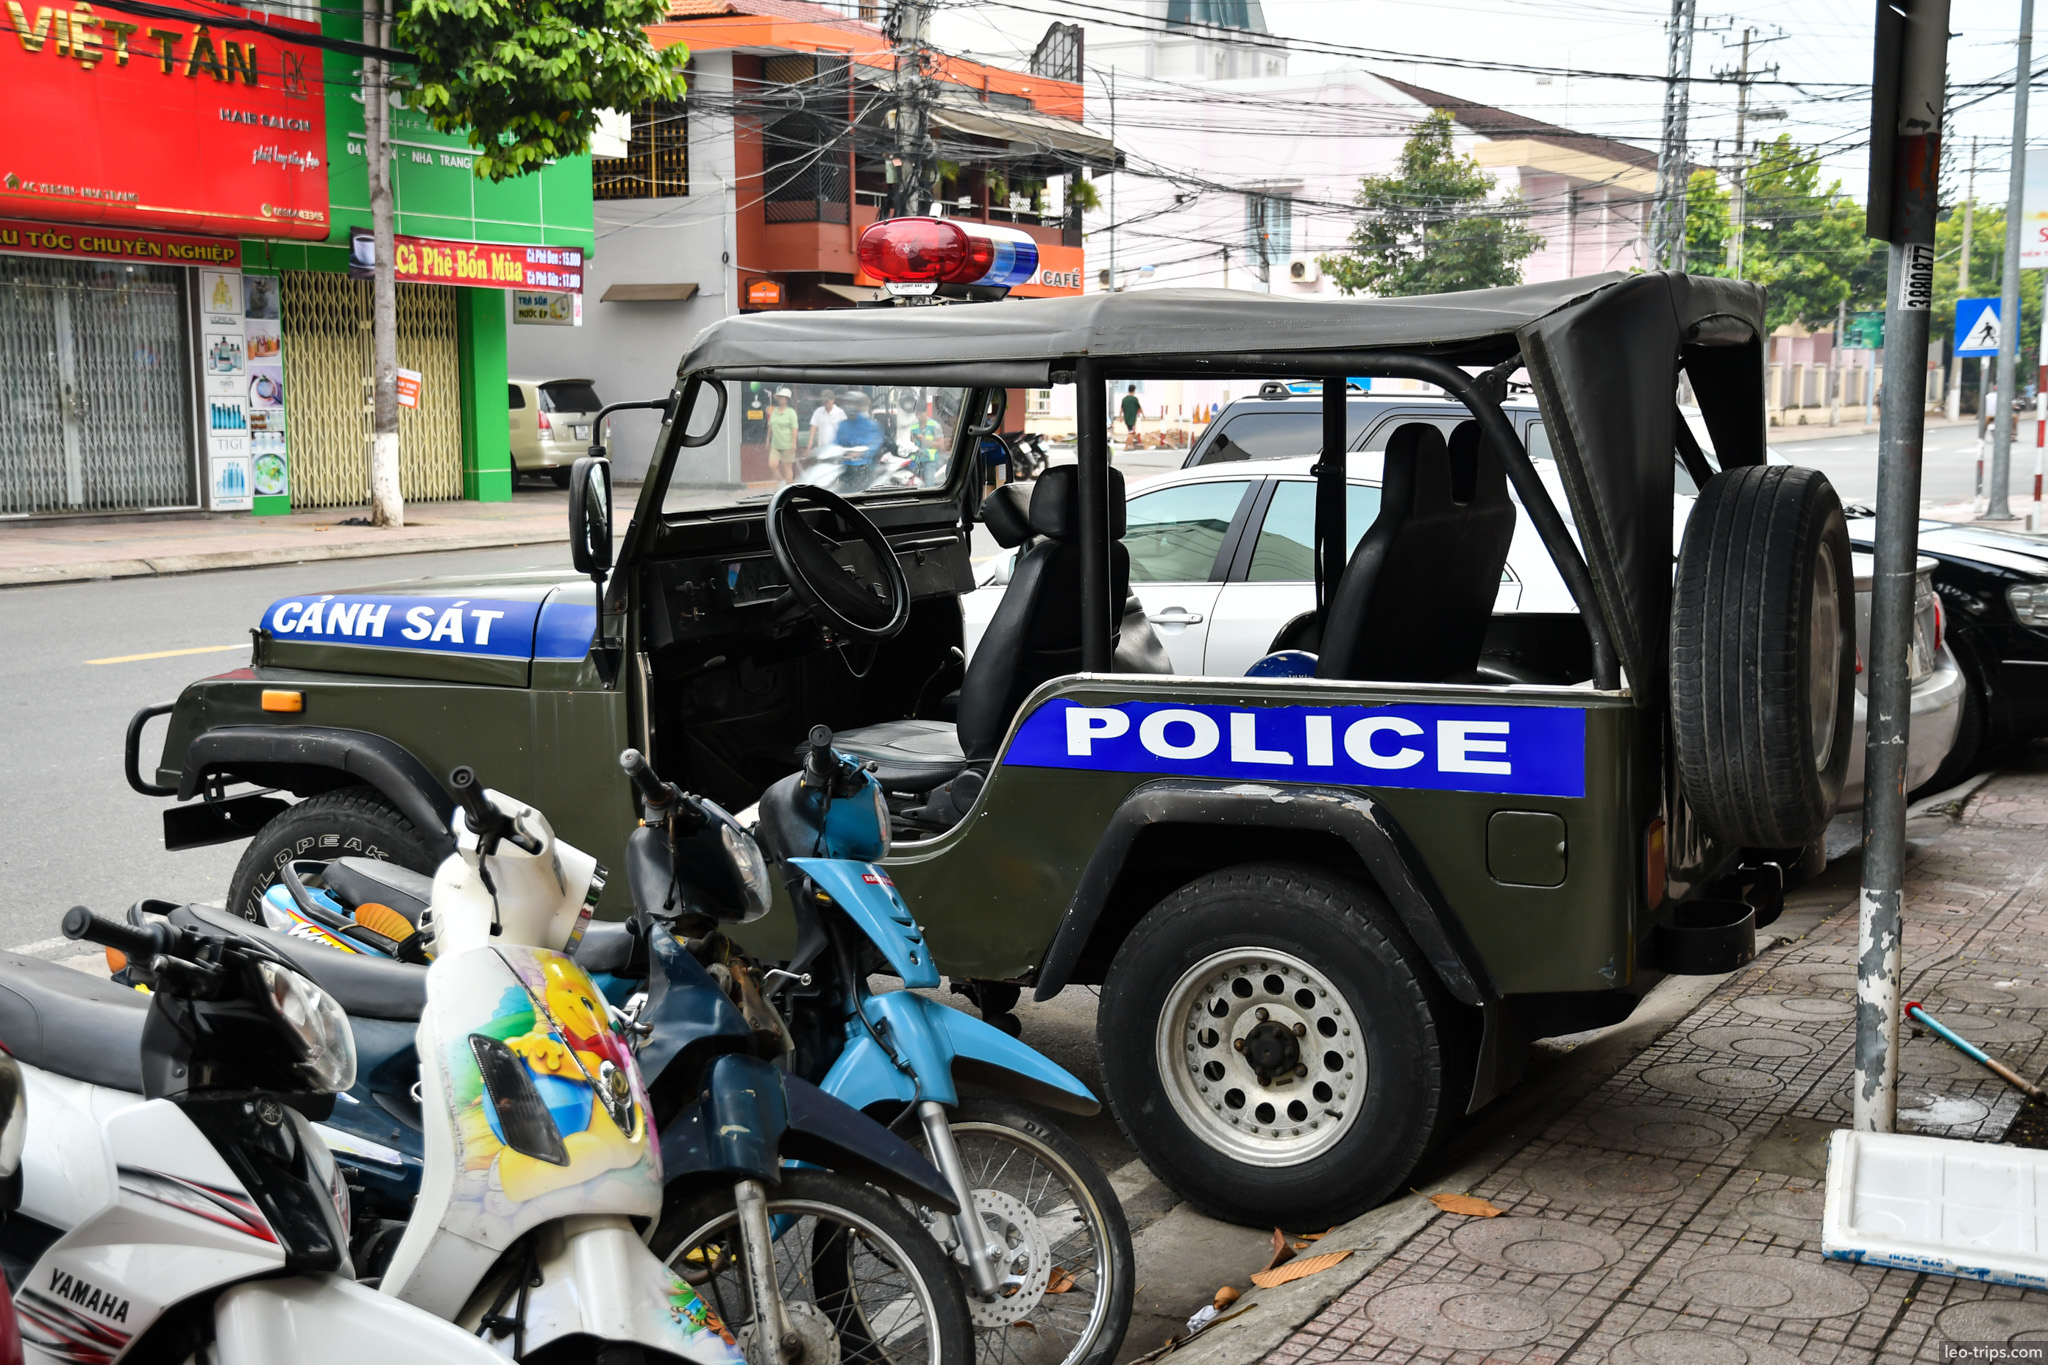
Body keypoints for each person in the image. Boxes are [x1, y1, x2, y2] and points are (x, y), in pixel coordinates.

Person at [833, 392, 885, 489]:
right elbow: (835, 443)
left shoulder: (870, 425)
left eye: (852, 403)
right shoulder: (842, 425)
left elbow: (874, 446)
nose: (848, 406)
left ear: (860, 405)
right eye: (847, 403)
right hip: (845, 469)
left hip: (864, 469)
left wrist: (860, 453)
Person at [766, 387, 800, 483]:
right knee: (772, 465)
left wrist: (794, 443)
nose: (781, 399)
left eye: (783, 397)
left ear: (787, 399)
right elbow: (770, 426)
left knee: (787, 468)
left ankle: (788, 487)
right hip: (775, 444)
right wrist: (768, 440)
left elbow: (794, 428)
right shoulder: (774, 411)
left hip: (787, 445)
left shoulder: (791, 412)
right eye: (780, 397)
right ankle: (781, 482)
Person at [806, 389, 844, 454]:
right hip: (822, 447)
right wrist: (810, 441)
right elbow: (814, 426)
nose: (825, 403)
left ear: (832, 400)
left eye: (827, 401)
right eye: (824, 401)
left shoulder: (840, 412)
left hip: (835, 447)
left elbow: (844, 429)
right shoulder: (818, 411)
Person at [1121, 383, 1143, 448]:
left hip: (1126, 418)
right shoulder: (1134, 399)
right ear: (1134, 390)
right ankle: (1126, 447)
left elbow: (1121, 409)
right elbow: (1139, 408)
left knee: (1131, 432)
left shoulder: (1124, 399)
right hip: (1132, 419)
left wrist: (1120, 417)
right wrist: (1143, 415)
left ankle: (1132, 446)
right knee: (1131, 433)